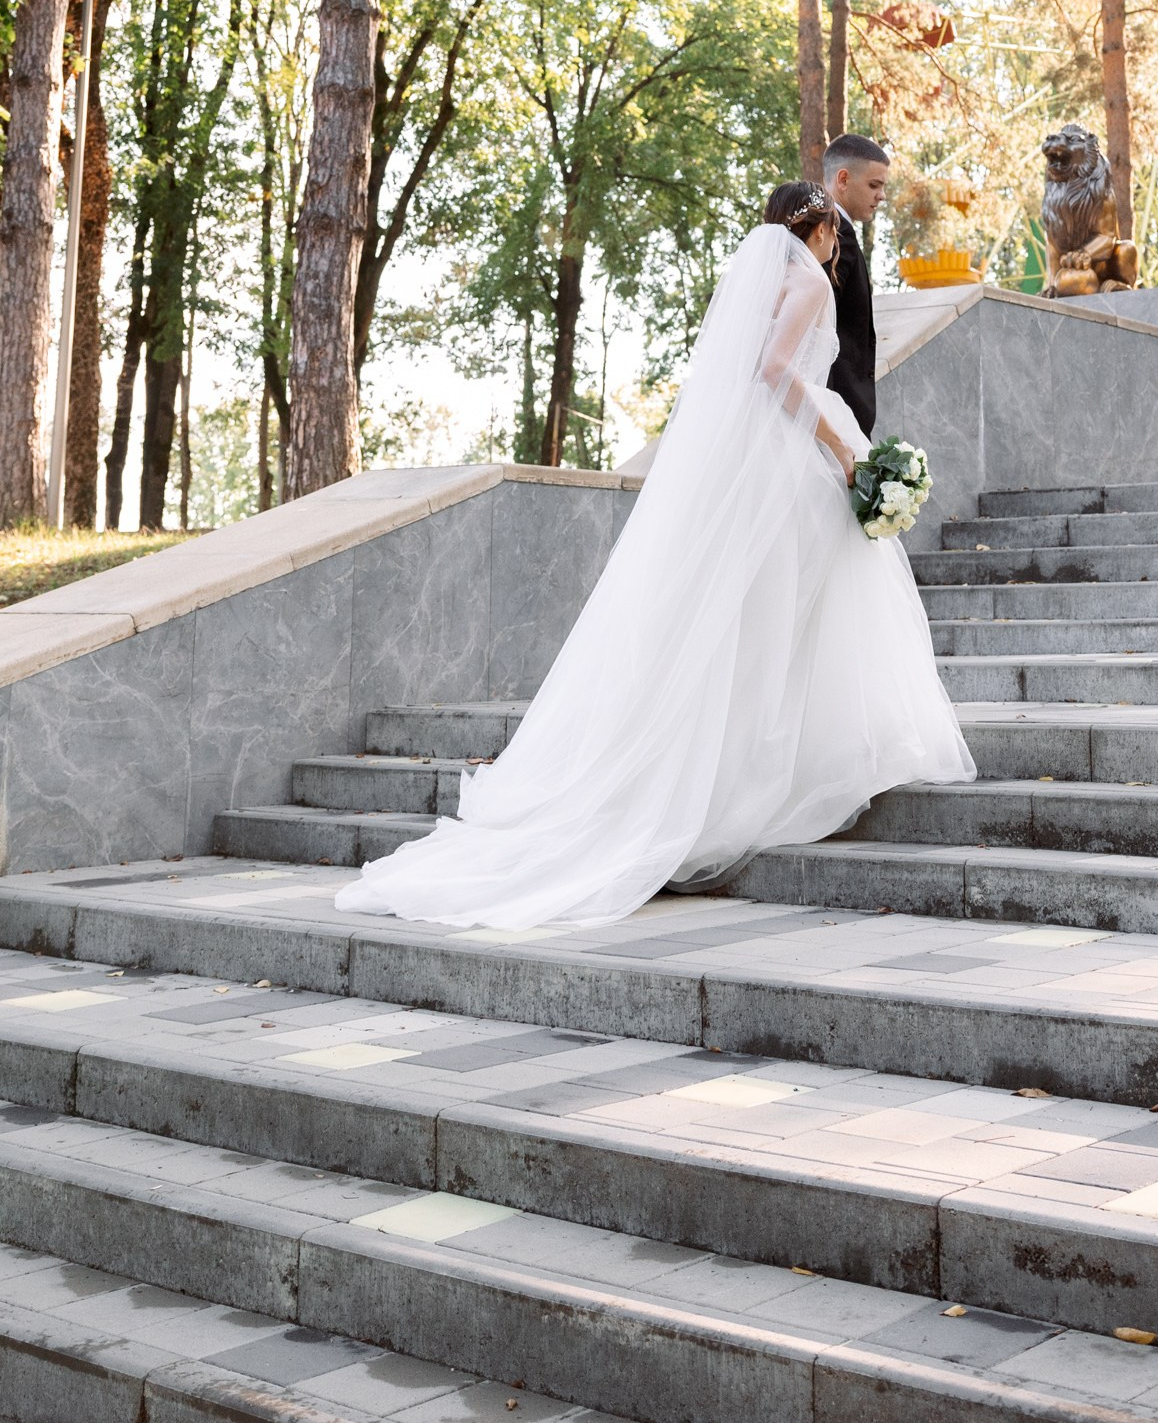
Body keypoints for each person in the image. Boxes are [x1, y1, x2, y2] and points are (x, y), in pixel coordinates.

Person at [335, 181, 974, 933]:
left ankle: (768, 756)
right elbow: (775, 371)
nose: (837, 249)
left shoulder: (768, 277)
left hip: (762, 458)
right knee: (792, 613)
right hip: (795, 457)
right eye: (835, 234)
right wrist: (841, 449)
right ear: (822, 227)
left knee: (767, 613)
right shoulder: (803, 278)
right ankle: (774, 770)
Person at [822, 131, 891, 442]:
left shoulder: (831, 234)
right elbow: (817, 329)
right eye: (874, 185)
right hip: (836, 410)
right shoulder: (836, 238)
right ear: (844, 179)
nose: (882, 196)